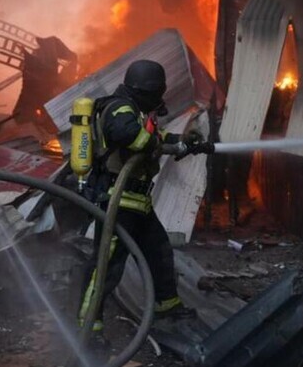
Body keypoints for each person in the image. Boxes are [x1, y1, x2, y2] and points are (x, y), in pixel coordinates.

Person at [77, 59, 211, 335]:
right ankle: (88, 326)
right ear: (147, 90)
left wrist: (182, 142)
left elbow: (154, 136)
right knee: (106, 266)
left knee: (159, 252)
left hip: (137, 203)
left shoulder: (136, 111)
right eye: (157, 92)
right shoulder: (119, 108)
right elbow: (130, 136)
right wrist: (163, 146)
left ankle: (166, 306)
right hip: (117, 202)